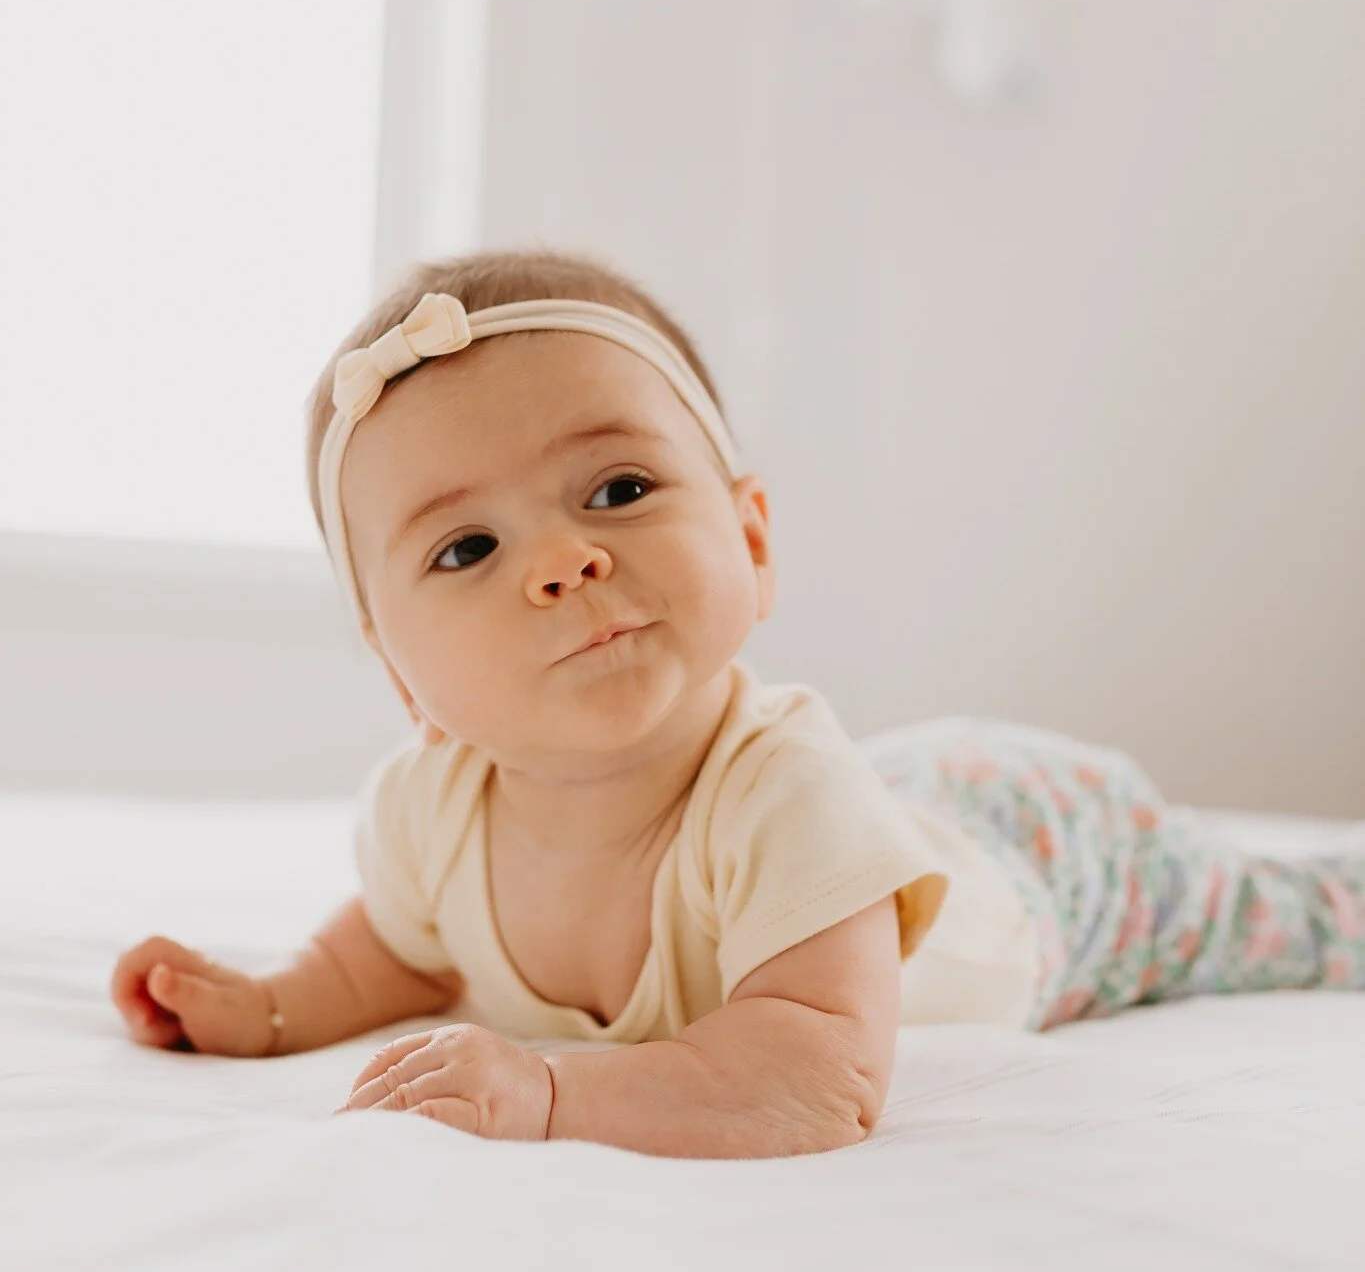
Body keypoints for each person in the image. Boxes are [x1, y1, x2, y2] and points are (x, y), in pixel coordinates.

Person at [110, 251, 1365, 1158]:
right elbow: (391, 948)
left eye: (615, 489)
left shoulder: (786, 794)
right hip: (899, 797)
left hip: (1053, 862)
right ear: (400, 677)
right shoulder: (427, 807)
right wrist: (273, 1005)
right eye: (466, 547)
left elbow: (818, 1077)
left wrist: (553, 1093)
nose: (563, 560)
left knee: (1284, 914)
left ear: (752, 538)